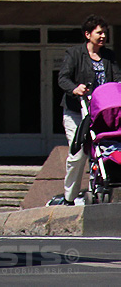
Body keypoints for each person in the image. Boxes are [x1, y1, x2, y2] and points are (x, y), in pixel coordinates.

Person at [49, 15, 121, 205]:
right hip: (77, 112)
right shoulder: (74, 54)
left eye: (105, 32)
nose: (103, 36)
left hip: (102, 112)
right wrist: (75, 88)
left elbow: (117, 79)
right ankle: (69, 197)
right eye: (99, 32)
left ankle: (95, 191)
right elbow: (62, 78)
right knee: (79, 154)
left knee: (101, 151)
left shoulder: (109, 56)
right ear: (88, 34)